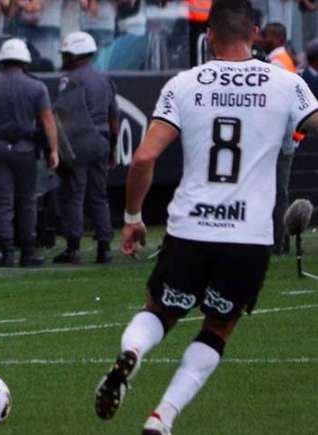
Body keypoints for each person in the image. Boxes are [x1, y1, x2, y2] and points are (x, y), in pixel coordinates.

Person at [93, 1, 318, 434]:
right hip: (248, 236)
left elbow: (142, 158)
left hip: (190, 227)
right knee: (218, 329)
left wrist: (133, 216)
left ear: (208, 35)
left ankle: (134, 353)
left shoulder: (183, 84)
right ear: (254, 33)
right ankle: (162, 417)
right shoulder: (286, 83)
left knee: (159, 311)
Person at [0, 38, 60, 267]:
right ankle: (28, 251)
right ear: (24, 61)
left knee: (3, 201)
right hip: (26, 149)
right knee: (28, 201)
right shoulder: (37, 87)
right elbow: (48, 120)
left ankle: (7, 251)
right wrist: (54, 150)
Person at [53, 31, 118, 265]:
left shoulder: (69, 80)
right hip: (101, 140)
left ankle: (73, 248)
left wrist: (59, 149)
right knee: (99, 195)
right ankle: (104, 247)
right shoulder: (104, 79)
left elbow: (60, 114)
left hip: (79, 140)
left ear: (73, 54)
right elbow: (114, 119)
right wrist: (112, 149)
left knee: (75, 195)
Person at [259, 22, 298, 254]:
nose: (261, 40)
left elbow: (277, 106)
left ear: (275, 38)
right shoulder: (285, 61)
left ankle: (278, 242)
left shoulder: (276, 64)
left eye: (264, 36)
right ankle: (278, 241)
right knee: (277, 192)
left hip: (279, 141)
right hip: (285, 139)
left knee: (277, 193)